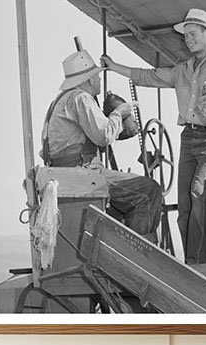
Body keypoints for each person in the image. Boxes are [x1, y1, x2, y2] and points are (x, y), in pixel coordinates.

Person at [102, 8, 206, 265]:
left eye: (193, 34)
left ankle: (200, 265)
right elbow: (147, 76)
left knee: (199, 192)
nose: (188, 40)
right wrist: (114, 66)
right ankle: (190, 263)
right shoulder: (182, 70)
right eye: (185, 36)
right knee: (184, 205)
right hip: (188, 138)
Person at [41, 46, 163, 241]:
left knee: (123, 201)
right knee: (148, 191)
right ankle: (140, 258)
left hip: (66, 173)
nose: (99, 80)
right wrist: (119, 113)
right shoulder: (81, 98)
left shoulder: (60, 101)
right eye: (97, 76)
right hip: (84, 173)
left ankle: (120, 247)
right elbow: (104, 136)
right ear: (89, 79)